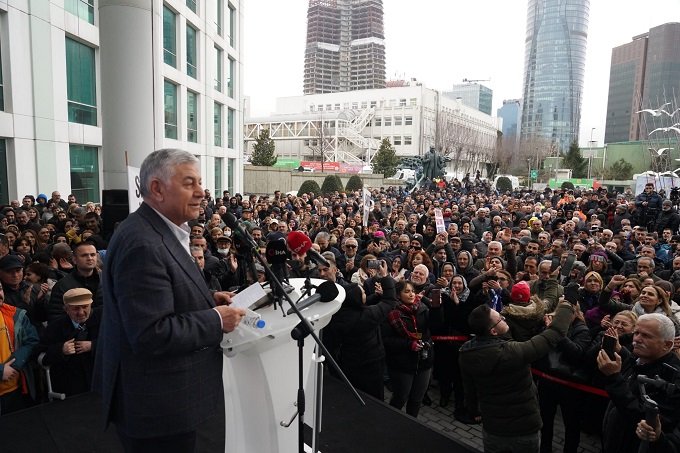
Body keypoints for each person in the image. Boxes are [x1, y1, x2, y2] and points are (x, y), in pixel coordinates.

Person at [94, 149, 245, 453]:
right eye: (189, 183)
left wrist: (205, 299)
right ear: (157, 189)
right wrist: (216, 319)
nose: (202, 192)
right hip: (156, 406)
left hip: (162, 399)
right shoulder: (143, 244)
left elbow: (163, 296)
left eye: (200, 182)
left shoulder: (159, 230)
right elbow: (151, 332)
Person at [458, 301, 575, 453]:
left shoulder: (465, 353)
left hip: (493, 429)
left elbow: (470, 389)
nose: (504, 319)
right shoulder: (510, 352)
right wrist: (567, 304)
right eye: (500, 319)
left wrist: (474, 411)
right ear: (493, 331)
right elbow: (554, 334)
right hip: (523, 430)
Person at [597, 313, 680, 453]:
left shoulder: (672, 378)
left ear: (667, 345)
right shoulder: (640, 357)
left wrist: (614, 378)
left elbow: (644, 419)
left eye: (646, 336)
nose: (637, 339)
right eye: (636, 333)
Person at [40, 287, 101, 396]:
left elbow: (120, 344)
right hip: (71, 388)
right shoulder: (55, 327)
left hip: (100, 381)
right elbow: (40, 355)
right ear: (66, 309)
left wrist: (93, 345)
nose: (81, 312)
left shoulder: (104, 320)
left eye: (85, 307)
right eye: (76, 309)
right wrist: (61, 349)